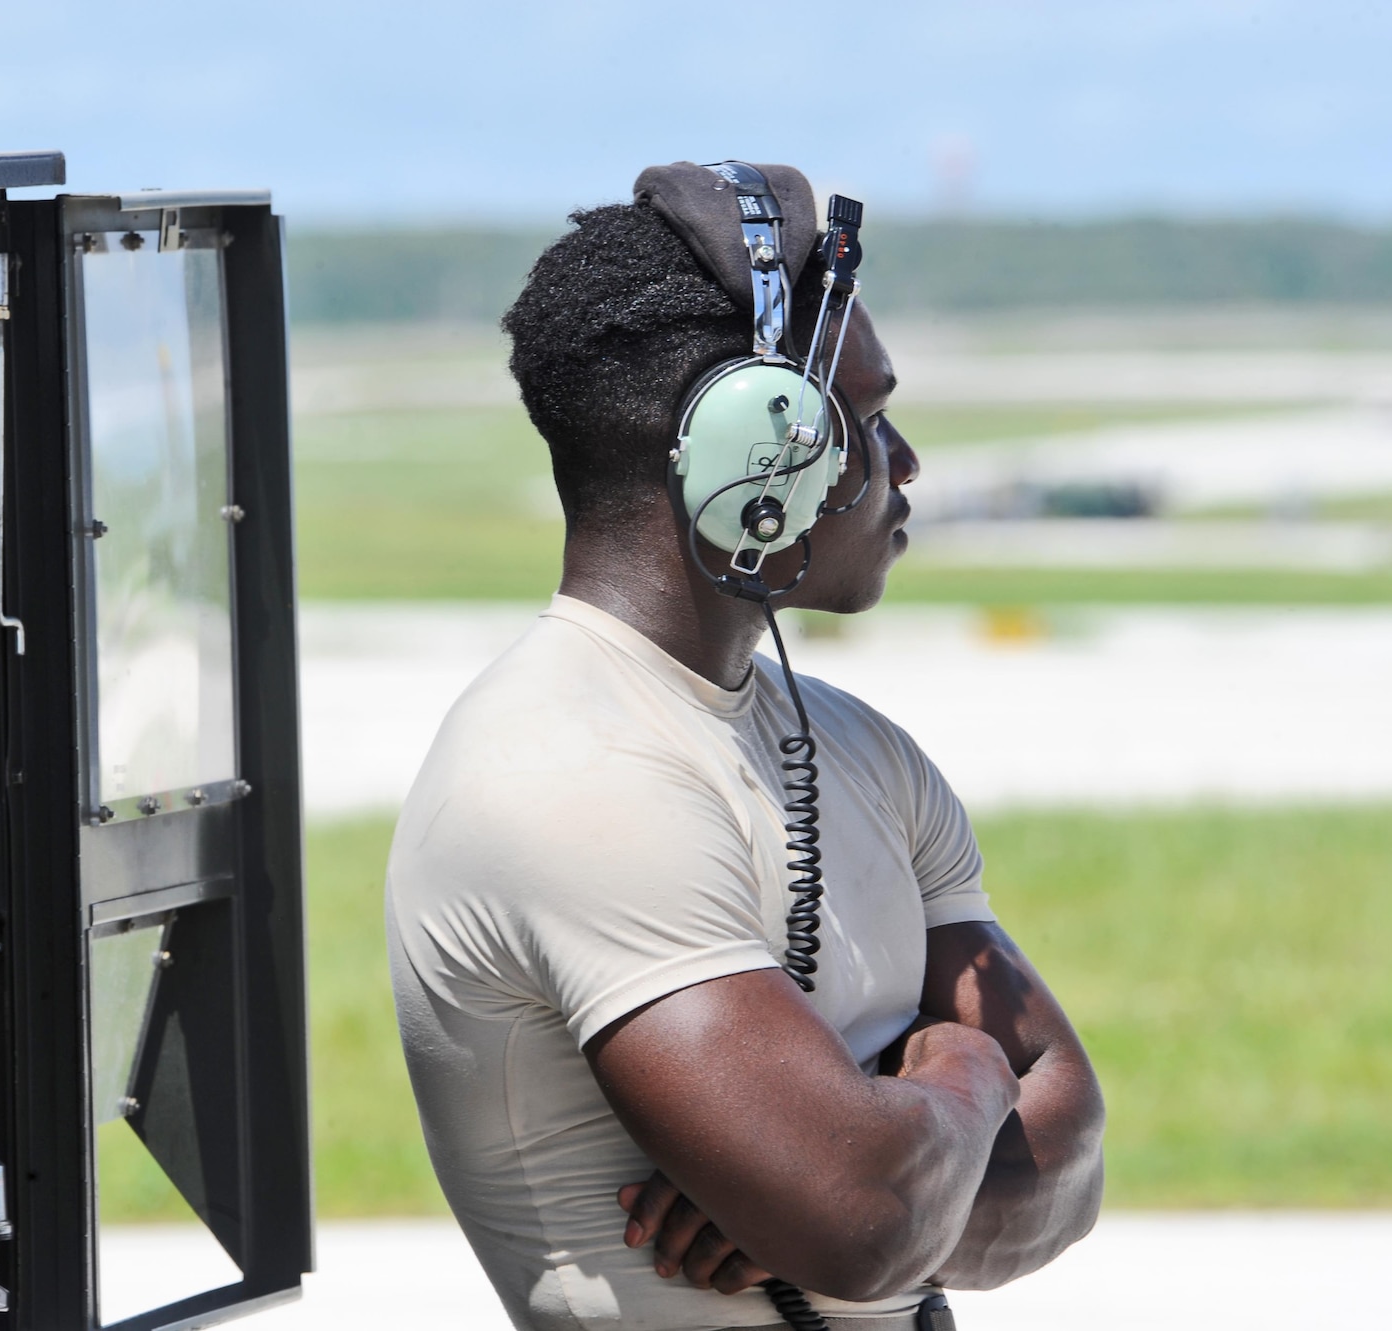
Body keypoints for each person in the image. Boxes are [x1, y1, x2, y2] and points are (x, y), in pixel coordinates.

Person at [385, 162, 1105, 1331]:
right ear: (745, 458)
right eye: (861, 421)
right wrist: (958, 1071)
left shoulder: (861, 749)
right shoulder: (567, 771)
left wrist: (867, 1148)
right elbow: (860, 1217)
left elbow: (1068, 1161)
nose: (906, 462)